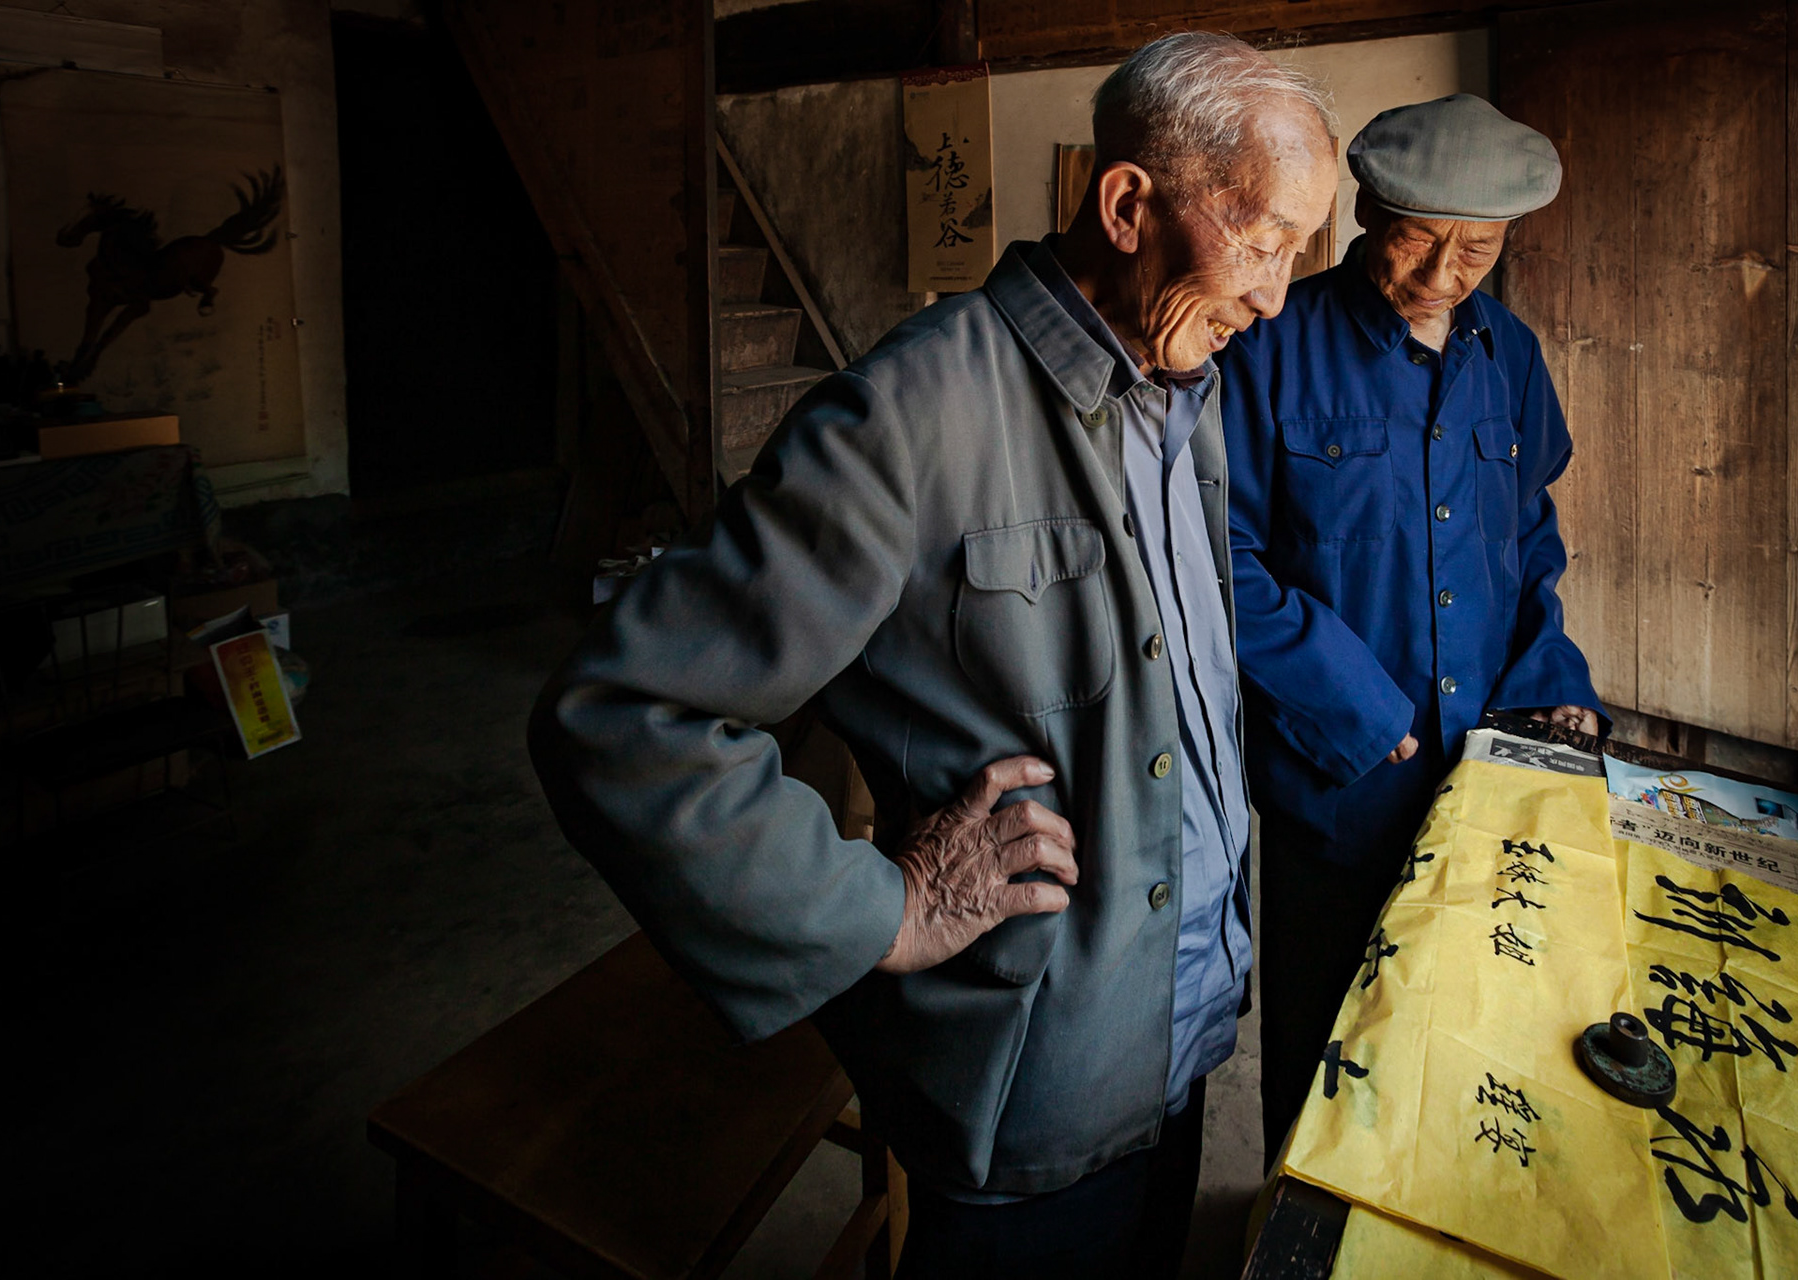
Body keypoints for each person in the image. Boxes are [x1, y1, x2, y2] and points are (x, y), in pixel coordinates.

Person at [528, 32, 1334, 1280]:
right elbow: (624, 710)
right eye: (1267, 242)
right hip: (1028, 1096)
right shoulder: (909, 418)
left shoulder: (1187, 385)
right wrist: (879, 908)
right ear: (1129, 205)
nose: (1278, 296)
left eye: (1299, 251)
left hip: (1180, 1053)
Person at [1216, 93, 1607, 1156]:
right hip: (1341, 779)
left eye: (1474, 250)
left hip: (1481, 772)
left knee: (1468, 1044)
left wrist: (1551, 677)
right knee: (1325, 1061)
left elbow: (1528, 534)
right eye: (1415, 240)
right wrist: (1347, 699)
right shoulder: (1270, 347)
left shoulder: (1511, 357)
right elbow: (1221, 559)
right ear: (1361, 212)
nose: (1441, 275)